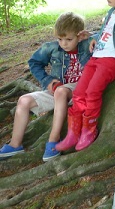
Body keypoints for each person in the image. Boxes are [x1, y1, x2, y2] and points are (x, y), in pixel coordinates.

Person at [56, 0, 115, 152]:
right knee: (79, 92)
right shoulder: (111, 12)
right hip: (96, 57)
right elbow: (107, 33)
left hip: (110, 61)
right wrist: (94, 38)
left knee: (93, 92)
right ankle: (73, 132)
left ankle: (88, 130)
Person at [0, 13, 92, 161]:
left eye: (69, 39)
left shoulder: (87, 44)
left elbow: (106, 39)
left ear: (79, 35)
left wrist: (91, 35)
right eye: (60, 39)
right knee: (24, 101)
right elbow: (34, 63)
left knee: (61, 91)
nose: (64, 43)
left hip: (79, 90)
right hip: (57, 91)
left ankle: (53, 141)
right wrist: (48, 80)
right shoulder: (51, 48)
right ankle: (15, 144)